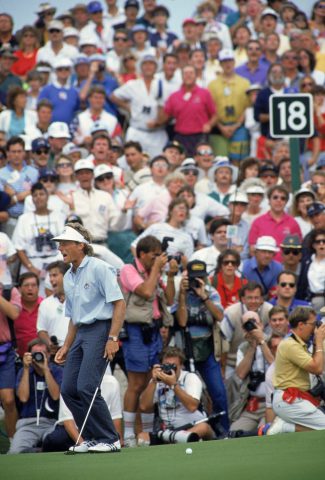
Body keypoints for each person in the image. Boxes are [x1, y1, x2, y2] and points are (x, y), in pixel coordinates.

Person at [53, 222, 125, 453]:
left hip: (101, 330)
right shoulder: (68, 276)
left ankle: (110, 439)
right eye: (60, 244)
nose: (61, 248)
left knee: (87, 386)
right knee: (69, 389)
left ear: (80, 246)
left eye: (65, 243)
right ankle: (93, 437)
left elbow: (119, 303)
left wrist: (113, 337)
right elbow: (74, 316)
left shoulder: (99, 268)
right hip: (80, 333)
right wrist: (66, 345)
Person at [119, 235, 176, 447]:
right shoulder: (128, 270)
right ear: (141, 255)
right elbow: (145, 291)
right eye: (154, 256)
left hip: (153, 331)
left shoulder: (155, 271)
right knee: (135, 384)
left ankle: (148, 433)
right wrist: (156, 270)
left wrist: (169, 275)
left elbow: (169, 300)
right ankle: (129, 435)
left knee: (151, 380)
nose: (157, 260)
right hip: (134, 331)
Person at [138, 346, 214, 446]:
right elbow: (144, 406)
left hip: (192, 427)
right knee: (142, 438)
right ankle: (176, 440)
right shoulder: (157, 380)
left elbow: (192, 406)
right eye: (166, 366)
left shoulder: (190, 378)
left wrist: (173, 385)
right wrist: (153, 382)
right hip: (168, 431)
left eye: (174, 366)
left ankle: (177, 440)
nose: (170, 370)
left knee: (203, 427)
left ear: (182, 366)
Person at [268, 306, 325, 435]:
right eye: (313, 324)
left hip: (294, 399)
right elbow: (317, 368)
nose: (315, 328)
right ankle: (285, 427)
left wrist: (316, 343)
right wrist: (320, 341)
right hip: (289, 400)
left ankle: (286, 426)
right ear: (301, 325)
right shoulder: (290, 345)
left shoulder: (297, 343)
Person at [8, 338, 62, 454]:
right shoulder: (24, 372)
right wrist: (27, 369)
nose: (38, 357)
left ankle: (37, 451)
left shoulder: (57, 371)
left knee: (56, 446)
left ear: (48, 354)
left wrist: (46, 370)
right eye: (35, 354)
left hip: (51, 424)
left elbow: (56, 396)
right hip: (28, 425)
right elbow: (23, 397)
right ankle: (35, 451)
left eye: (42, 353)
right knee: (14, 453)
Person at [110, 54, 168, 158]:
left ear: (156, 67)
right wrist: (127, 107)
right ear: (140, 67)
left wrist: (159, 121)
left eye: (151, 64)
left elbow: (170, 108)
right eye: (145, 64)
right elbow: (114, 96)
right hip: (137, 130)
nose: (148, 67)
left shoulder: (163, 85)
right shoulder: (133, 84)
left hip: (157, 133)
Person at [158, 64, 218, 157]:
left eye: (191, 73)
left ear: (196, 75)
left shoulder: (204, 93)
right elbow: (165, 116)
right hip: (181, 137)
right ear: (182, 76)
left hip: (200, 136)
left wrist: (209, 125)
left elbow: (215, 115)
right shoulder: (174, 96)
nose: (188, 75)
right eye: (186, 73)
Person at [229, 311, 274, 433]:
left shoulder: (272, 341)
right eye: (247, 325)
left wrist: (261, 341)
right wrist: (253, 346)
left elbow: (276, 366)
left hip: (272, 403)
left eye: (254, 323)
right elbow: (240, 374)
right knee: (234, 432)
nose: (251, 327)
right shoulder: (244, 347)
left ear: (262, 325)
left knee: (264, 431)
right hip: (253, 405)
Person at [220, 282, 273, 380]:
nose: (253, 301)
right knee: (230, 388)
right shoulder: (231, 313)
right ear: (243, 299)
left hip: (263, 359)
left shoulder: (269, 311)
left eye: (256, 298)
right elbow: (223, 343)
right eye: (249, 298)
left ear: (262, 299)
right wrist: (222, 369)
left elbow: (272, 338)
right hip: (233, 361)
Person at [248, 185, 302, 261]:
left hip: (286, 268)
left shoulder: (293, 223)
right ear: (269, 200)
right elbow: (252, 249)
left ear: (286, 202)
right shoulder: (258, 222)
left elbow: (298, 249)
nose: (279, 200)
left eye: (283, 198)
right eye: (275, 197)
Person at [0, 280, 21, 442]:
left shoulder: (9, 291)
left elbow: (14, 313)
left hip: (5, 350)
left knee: (8, 400)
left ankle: (13, 442)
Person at [37, 261, 70, 355]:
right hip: (55, 356)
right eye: (50, 276)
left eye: (54, 275)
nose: (51, 279)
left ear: (67, 276)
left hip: (78, 353)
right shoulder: (45, 303)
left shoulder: (80, 299)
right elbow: (41, 330)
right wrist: (50, 343)